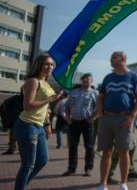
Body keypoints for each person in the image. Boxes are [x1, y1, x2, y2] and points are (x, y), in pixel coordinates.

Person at [13, 53, 62, 190]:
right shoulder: (33, 81)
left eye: (52, 64)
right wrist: (50, 99)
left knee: (42, 160)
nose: (49, 67)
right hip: (27, 125)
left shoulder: (46, 83)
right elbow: (27, 106)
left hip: (39, 127)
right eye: (46, 64)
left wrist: (47, 124)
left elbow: (44, 109)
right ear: (39, 65)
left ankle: (21, 185)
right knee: (28, 164)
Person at [96, 51, 137, 190]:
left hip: (125, 118)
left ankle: (123, 183)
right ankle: (103, 183)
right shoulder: (108, 77)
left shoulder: (134, 77)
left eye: (113, 57)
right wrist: (100, 114)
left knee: (124, 151)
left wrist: (132, 116)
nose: (110, 59)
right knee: (106, 152)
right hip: (107, 117)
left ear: (123, 59)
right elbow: (100, 97)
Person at [62, 73, 97, 177]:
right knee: (72, 146)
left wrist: (93, 118)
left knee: (89, 146)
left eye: (88, 80)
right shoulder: (74, 92)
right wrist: (68, 118)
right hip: (74, 122)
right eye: (84, 80)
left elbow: (99, 108)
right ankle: (71, 169)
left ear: (92, 81)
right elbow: (67, 106)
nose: (86, 81)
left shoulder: (95, 93)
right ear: (81, 81)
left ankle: (88, 168)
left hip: (87, 123)